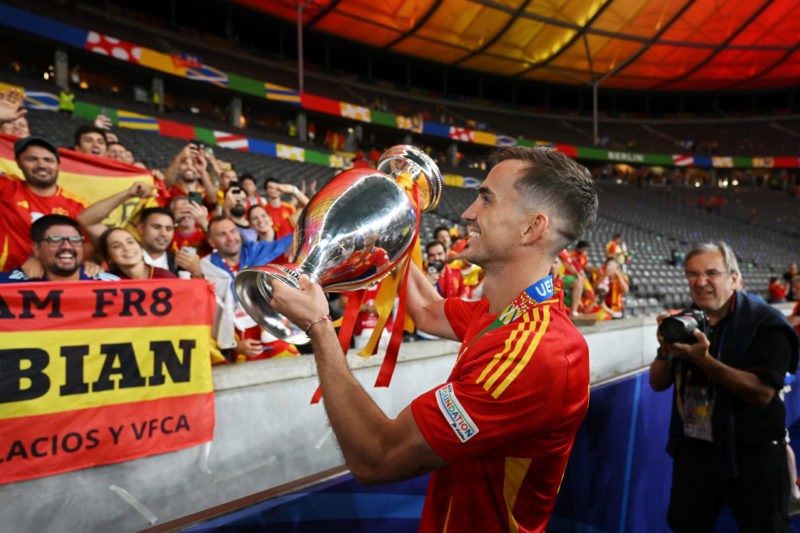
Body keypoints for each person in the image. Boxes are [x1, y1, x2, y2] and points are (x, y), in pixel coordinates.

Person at [268, 146, 598, 531]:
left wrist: (320, 327)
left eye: (486, 199)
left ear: (532, 228)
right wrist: (379, 225)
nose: (468, 212)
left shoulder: (534, 354)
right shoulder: (503, 314)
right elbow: (425, 308)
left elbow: (377, 456)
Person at [649, 241, 799, 532]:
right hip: (696, 450)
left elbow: (762, 394)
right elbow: (657, 383)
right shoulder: (686, 321)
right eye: (692, 274)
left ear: (733, 277)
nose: (700, 282)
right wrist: (666, 348)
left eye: (711, 273)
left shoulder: (767, 323)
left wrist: (704, 361)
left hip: (754, 454)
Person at [199, 217, 293, 361]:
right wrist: (234, 345)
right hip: (243, 345)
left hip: (278, 337)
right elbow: (210, 314)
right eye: (222, 234)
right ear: (212, 242)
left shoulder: (258, 252)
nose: (230, 238)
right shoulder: (204, 268)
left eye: (233, 231)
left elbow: (290, 244)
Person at [0, 136, 98, 272]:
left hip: (56, 282)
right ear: (18, 163)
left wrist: (91, 261)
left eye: (48, 160)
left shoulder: (78, 204)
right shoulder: (7, 187)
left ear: (58, 164)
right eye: (31, 159)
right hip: (5, 280)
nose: (41, 165)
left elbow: (88, 245)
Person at [0, 215, 118, 282]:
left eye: (75, 240)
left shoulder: (113, 286)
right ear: (36, 249)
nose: (67, 246)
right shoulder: (6, 286)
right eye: (55, 240)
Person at [97, 227, 176, 280]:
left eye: (130, 242)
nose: (127, 248)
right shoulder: (108, 283)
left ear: (141, 247)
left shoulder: (165, 278)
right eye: (117, 246)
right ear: (108, 258)